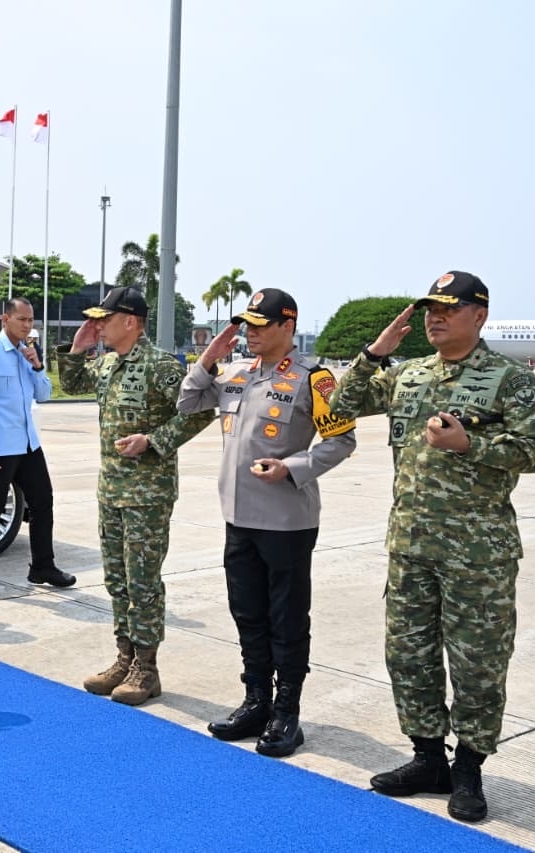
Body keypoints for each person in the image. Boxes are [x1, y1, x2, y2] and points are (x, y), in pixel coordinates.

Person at [329, 271, 535, 822]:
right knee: (409, 656)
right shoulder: (409, 375)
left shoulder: (509, 380)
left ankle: (469, 768)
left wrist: (469, 442)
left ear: (480, 315)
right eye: (431, 309)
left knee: (478, 662)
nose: (435, 317)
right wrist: (377, 351)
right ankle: (428, 758)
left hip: (478, 553)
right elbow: (344, 401)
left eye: (449, 309)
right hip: (410, 545)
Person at [177, 288, 356, 757]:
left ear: (286, 326)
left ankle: (286, 712)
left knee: (287, 619)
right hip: (238, 517)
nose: (251, 333)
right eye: (247, 325)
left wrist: (293, 468)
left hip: (286, 520)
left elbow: (340, 440)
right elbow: (188, 403)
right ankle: (256, 699)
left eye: (261, 325)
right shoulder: (236, 373)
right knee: (248, 613)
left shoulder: (313, 380)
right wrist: (208, 357)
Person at [58, 286, 215, 706]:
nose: (98, 326)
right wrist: (77, 348)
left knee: (143, 582)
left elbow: (199, 412)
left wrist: (154, 440)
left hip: (147, 494)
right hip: (110, 489)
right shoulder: (108, 364)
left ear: (131, 321)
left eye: (104, 320)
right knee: (116, 580)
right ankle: (124, 659)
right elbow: (71, 384)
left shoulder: (160, 366)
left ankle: (147, 668)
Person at [0, 297, 75, 597]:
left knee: (43, 502)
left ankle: (42, 566)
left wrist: (36, 365)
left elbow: (45, 395)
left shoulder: (27, 354)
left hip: (28, 444)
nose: (27, 325)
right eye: (21, 319)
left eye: (30, 320)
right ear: (5, 319)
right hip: (1, 447)